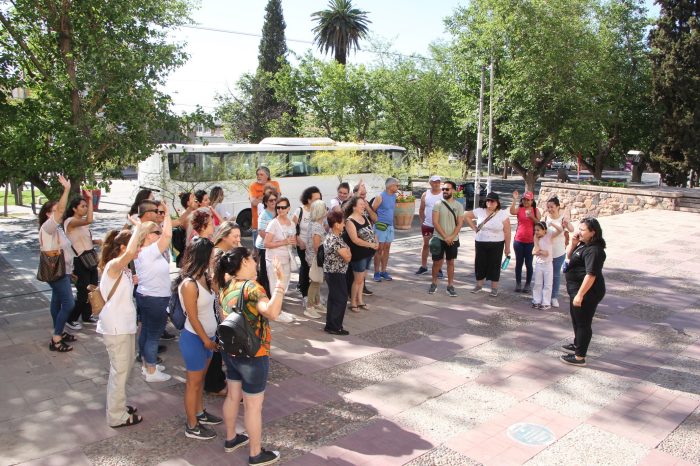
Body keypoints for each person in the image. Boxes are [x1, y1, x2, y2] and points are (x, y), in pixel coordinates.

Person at [216, 248, 284, 465]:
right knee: (254, 406)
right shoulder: (252, 289)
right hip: (254, 355)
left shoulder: (226, 286)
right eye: (253, 260)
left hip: (231, 352)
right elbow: (271, 312)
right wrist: (281, 284)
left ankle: (231, 438)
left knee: (233, 396)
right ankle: (255, 453)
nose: (256, 263)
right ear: (245, 261)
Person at [175, 237, 223, 439]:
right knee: (193, 383)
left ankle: (200, 412)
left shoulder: (204, 277)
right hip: (196, 339)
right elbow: (192, 317)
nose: (214, 258)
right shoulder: (189, 284)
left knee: (200, 380)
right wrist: (205, 340)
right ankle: (192, 425)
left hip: (208, 338)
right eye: (212, 255)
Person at [97, 225, 142, 428]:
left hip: (125, 325)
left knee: (124, 368)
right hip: (116, 327)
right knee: (120, 371)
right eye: (136, 246)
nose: (138, 250)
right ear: (123, 247)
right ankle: (116, 416)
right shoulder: (114, 264)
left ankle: (119, 406)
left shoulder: (123, 267)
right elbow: (132, 251)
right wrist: (139, 227)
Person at [134, 202, 173, 382]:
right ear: (149, 236)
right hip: (155, 299)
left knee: (146, 332)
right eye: (156, 232)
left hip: (146, 296)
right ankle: (151, 370)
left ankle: (146, 364)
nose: (160, 234)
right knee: (153, 335)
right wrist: (167, 214)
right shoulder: (149, 251)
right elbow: (168, 235)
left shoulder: (142, 250)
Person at [561, 218, 606, 366]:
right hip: (576, 289)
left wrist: (580, 295)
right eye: (579, 228)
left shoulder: (594, 250)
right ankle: (577, 344)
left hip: (588, 292)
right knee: (576, 320)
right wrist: (573, 244)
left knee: (583, 323)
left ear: (593, 232)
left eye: (583, 230)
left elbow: (591, 274)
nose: (579, 232)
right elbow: (569, 257)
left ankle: (580, 357)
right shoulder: (583, 244)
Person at [38, 175, 76, 352]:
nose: (59, 213)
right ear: (48, 214)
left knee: (57, 301)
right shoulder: (48, 226)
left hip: (63, 271)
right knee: (69, 304)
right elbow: (61, 210)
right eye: (54, 211)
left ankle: (58, 331)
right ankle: (56, 338)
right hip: (57, 272)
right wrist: (66, 189)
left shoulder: (57, 228)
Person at [64, 191, 100, 328]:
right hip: (79, 261)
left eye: (86, 206)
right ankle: (71, 318)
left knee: (92, 289)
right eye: (82, 206)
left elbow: (86, 240)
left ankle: (86, 315)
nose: (85, 208)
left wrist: (97, 241)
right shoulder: (70, 221)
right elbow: (89, 219)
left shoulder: (82, 224)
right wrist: (91, 200)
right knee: (83, 291)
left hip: (90, 258)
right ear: (74, 208)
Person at [464, 192, 511, 297]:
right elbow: (466, 216)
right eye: (488, 200)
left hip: (497, 242)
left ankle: (494, 287)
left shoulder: (502, 214)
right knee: (480, 263)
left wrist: (507, 247)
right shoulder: (480, 211)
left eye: (492, 201)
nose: (490, 202)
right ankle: (479, 285)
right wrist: (474, 228)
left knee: (495, 264)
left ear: (497, 202)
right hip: (481, 241)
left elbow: (507, 232)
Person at [428, 181, 464, 297]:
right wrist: (445, 237)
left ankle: (450, 285)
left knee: (451, 262)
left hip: (453, 239)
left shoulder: (458, 206)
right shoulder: (438, 204)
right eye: (443, 189)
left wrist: (451, 237)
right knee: (436, 263)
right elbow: (435, 222)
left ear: (453, 190)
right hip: (439, 238)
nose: (444, 191)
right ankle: (434, 283)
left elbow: (459, 224)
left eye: (447, 189)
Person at [262, 197, 296, 323]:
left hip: (286, 258)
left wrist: (293, 242)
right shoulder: (273, 223)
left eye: (283, 207)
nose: (280, 209)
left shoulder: (291, 223)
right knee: (275, 286)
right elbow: (266, 243)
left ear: (288, 209)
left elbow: (292, 240)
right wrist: (284, 241)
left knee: (284, 286)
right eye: (278, 207)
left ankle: (278, 310)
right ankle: (275, 314)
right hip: (274, 259)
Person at [343, 197, 378, 312]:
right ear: (354, 207)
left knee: (362, 279)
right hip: (358, 254)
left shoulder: (365, 217)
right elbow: (355, 240)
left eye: (364, 204)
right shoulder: (349, 221)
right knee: (357, 280)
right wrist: (371, 245)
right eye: (361, 204)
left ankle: (360, 300)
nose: (364, 206)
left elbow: (372, 232)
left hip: (368, 252)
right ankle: (353, 302)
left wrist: (376, 242)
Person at [292, 186, 322, 312]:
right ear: (308, 200)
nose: (318, 201)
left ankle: (314, 297)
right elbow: (292, 228)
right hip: (303, 245)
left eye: (319, 199)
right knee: (305, 269)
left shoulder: (319, 211)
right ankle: (305, 294)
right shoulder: (300, 211)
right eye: (315, 199)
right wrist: (299, 241)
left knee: (314, 270)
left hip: (314, 246)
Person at [323, 209, 352, 335]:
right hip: (336, 273)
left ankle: (330, 325)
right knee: (341, 298)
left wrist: (347, 250)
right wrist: (348, 250)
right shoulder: (335, 240)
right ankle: (335, 327)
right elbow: (347, 257)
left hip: (331, 272)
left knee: (333, 298)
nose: (344, 225)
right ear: (336, 224)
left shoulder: (330, 236)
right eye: (343, 223)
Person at [542, 196, 574, 307]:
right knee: (545, 273)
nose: (550, 209)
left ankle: (554, 296)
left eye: (552, 207)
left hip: (559, 251)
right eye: (548, 207)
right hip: (546, 251)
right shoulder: (546, 218)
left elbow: (572, 229)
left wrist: (567, 223)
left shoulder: (562, 219)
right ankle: (545, 295)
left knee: (555, 275)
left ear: (558, 207)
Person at [510, 190, 540, 293]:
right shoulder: (520, 209)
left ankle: (527, 284)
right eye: (524, 200)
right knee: (519, 263)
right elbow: (512, 212)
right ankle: (518, 283)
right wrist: (514, 199)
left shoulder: (535, 210)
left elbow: (539, 223)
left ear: (532, 200)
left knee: (529, 263)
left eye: (528, 200)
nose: (526, 202)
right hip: (518, 240)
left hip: (530, 241)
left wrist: (531, 216)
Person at [372, 177, 399, 282]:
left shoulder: (394, 196)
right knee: (379, 249)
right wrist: (376, 223)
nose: (398, 187)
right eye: (397, 185)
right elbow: (372, 210)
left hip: (390, 227)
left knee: (387, 249)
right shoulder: (380, 196)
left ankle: (384, 271)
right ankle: (376, 272)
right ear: (390, 186)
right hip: (380, 227)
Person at [417, 175, 445, 277]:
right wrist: (422, 221)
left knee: (439, 247)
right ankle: (423, 267)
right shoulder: (426, 194)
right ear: (430, 183)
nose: (436, 183)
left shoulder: (444, 194)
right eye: (434, 182)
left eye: (438, 182)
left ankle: (439, 269)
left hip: (440, 226)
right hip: (427, 225)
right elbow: (421, 209)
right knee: (426, 245)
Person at [531, 221, 563, 309]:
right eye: (535, 230)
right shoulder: (536, 237)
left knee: (548, 284)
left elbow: (560, 230)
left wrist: (552, 224)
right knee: (538, 283)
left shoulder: (549, 236)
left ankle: (546, 302)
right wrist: (541, 252)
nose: (536, 232)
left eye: (538, 230)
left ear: (545, 230)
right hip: (539, 263)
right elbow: (535, 250)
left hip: (548, 264)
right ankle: (536, 300)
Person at [353, 182, 376, 296]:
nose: (364, 196)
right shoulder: (352, 205)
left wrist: (367, 207)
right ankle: (354, 294)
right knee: (358, 270)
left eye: (365, 194)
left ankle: (363, 286)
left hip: (369, 242)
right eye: (361, 194)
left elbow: (375, 218)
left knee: (366, 268)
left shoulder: (366, 204)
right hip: (358, 243)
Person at [305, 199, 327, 316]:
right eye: (325, 208)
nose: (327, 210)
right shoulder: (317, 226)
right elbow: (317, 246)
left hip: (313, 258)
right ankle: (309, 306)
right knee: (315, 281)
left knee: (317, 281)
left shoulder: (314, 224)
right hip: (316, 259)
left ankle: (317, 303)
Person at [249, 166, 280, 250]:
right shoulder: (253, 186)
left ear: (267, 175)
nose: (258, 176)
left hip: (274, 222)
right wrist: (268, 196)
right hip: (257, 225)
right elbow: (253, 202)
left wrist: (259, 197)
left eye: (261, 174)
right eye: (257, 174)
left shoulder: (275, 183)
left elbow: (278, 199)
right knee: (257, 252)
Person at [255, 192, 277, 297]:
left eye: (275, 200)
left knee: (274, 272)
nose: (273, 202)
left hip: (276, 247)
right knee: (265, 272)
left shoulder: (278, 212)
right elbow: (261, 232)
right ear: (265, 202)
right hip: (264, 247)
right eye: (271, 200)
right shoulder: (263, 214)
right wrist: (274, 240)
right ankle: (266, 295)